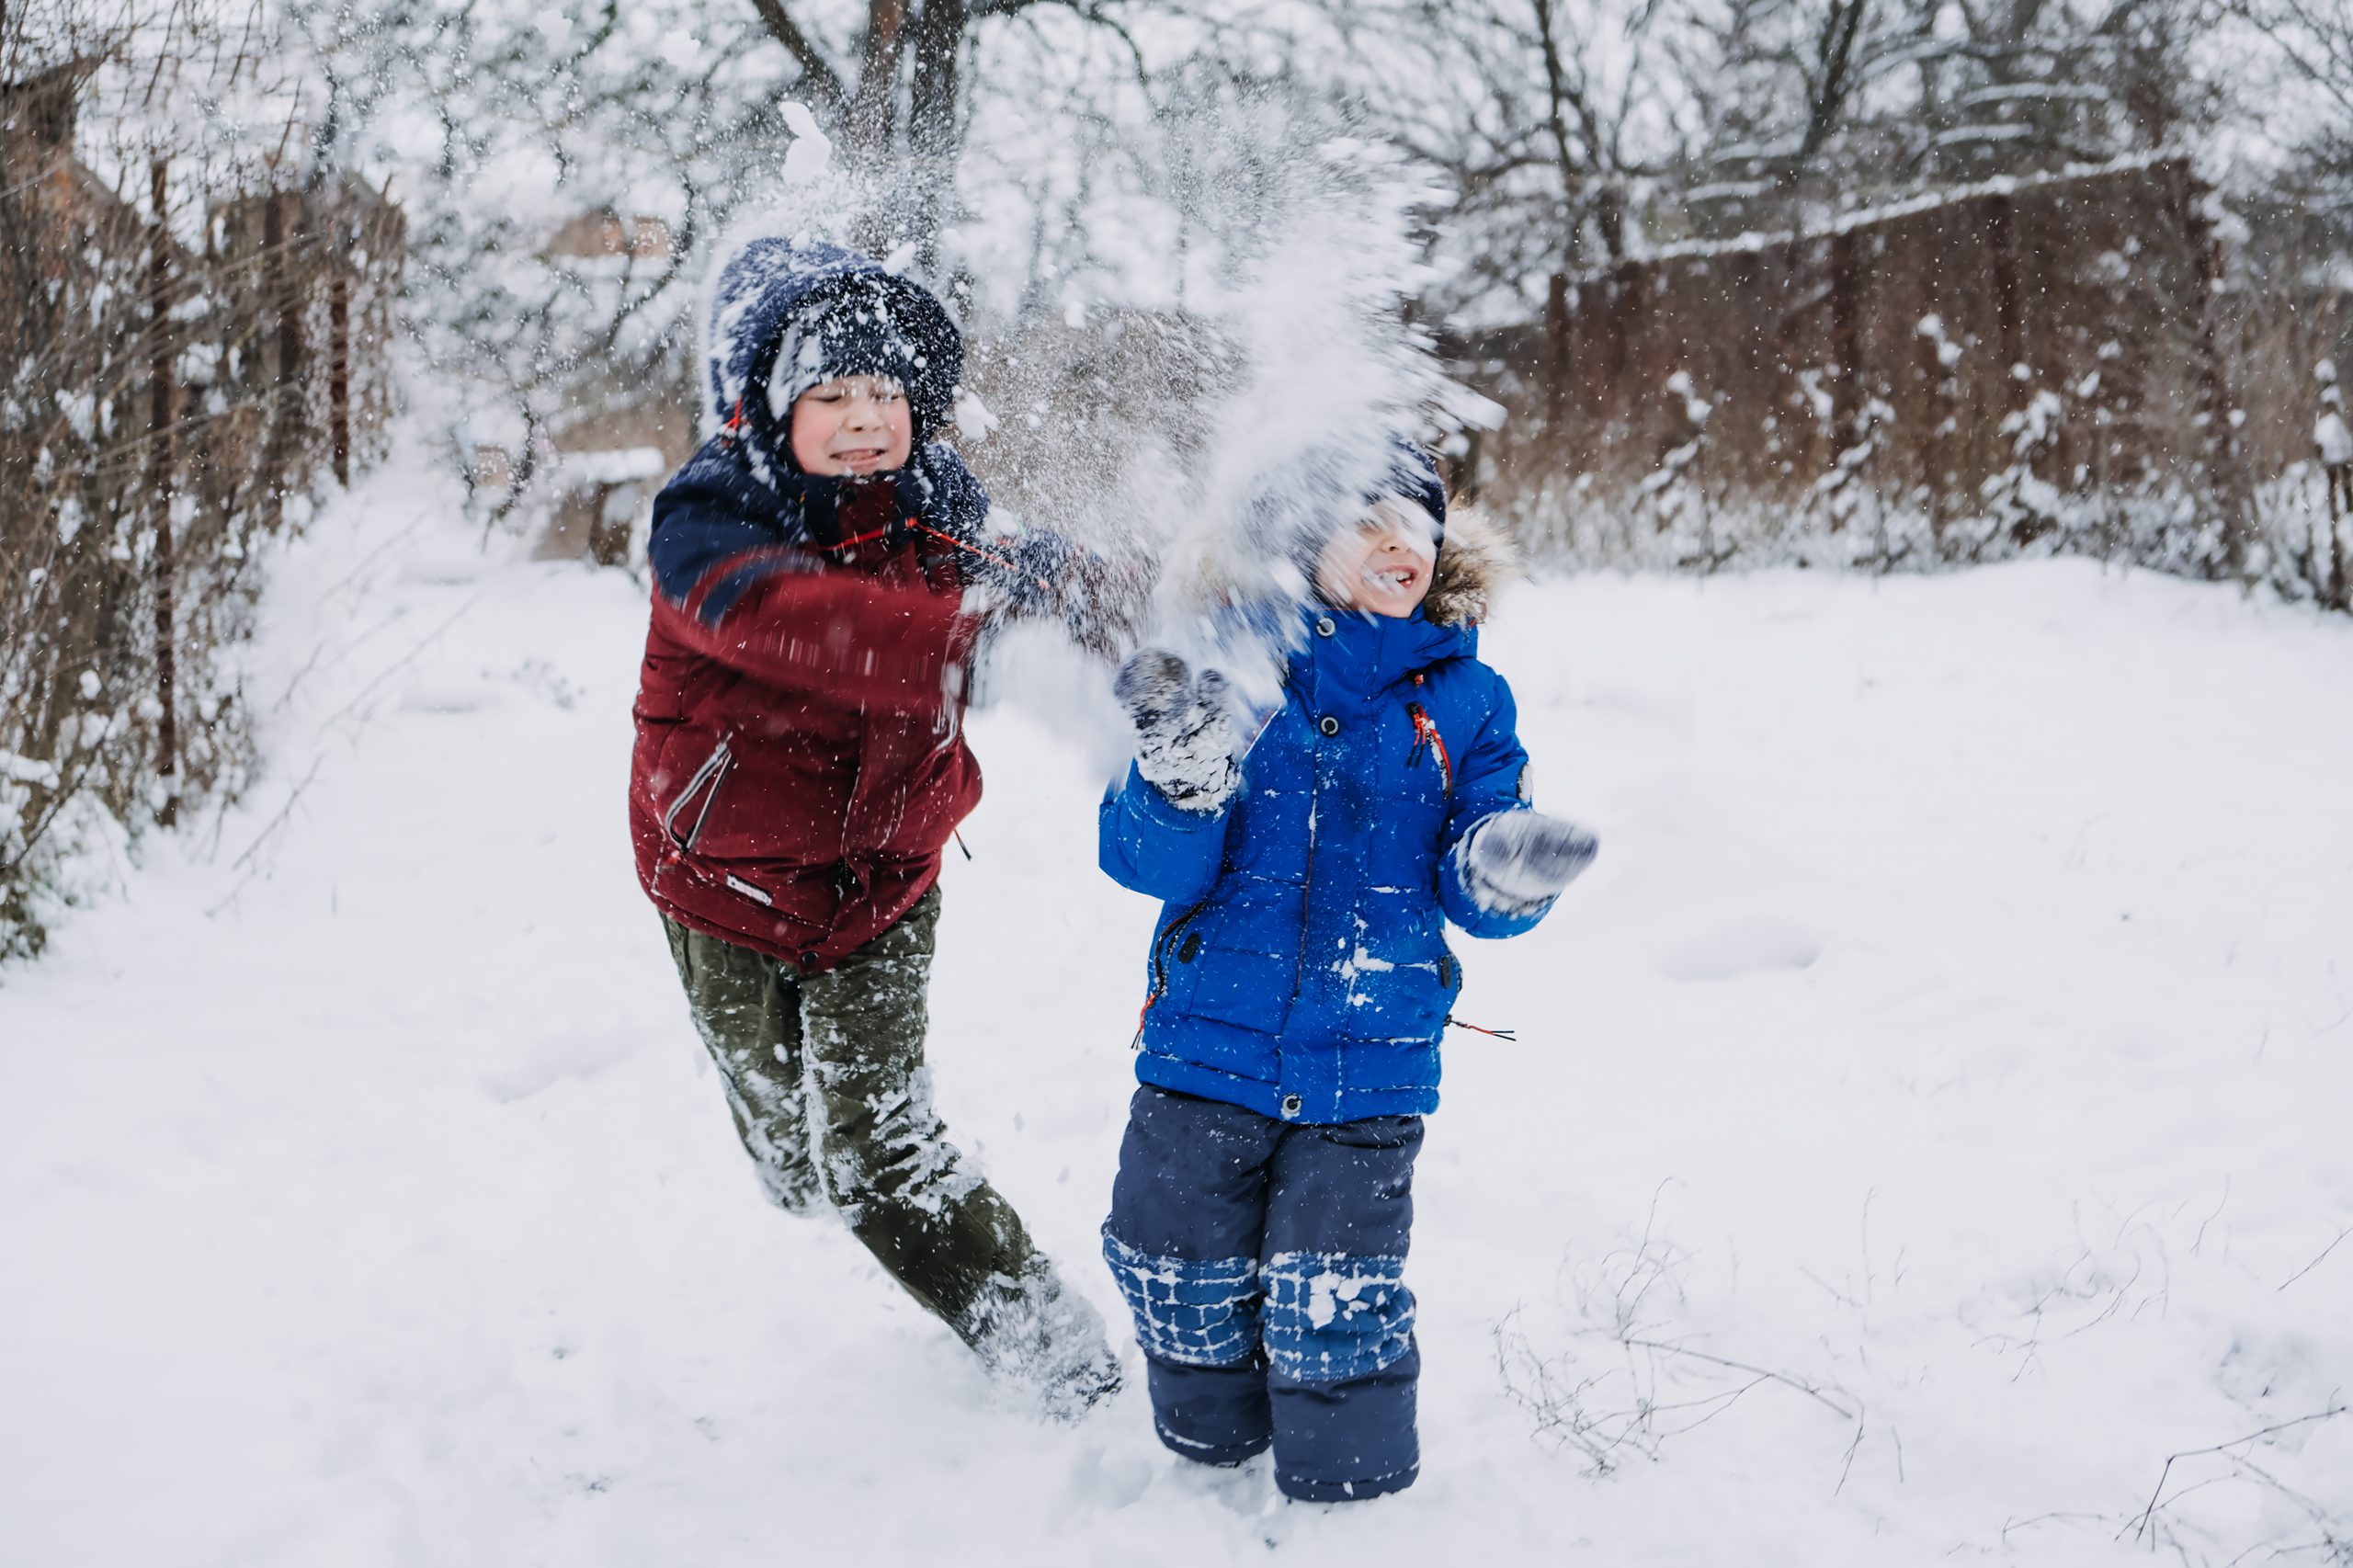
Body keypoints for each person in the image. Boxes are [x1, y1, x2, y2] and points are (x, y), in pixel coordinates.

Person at [627, 234, 1124, 1416]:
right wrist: (967, 644)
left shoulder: (945, 517)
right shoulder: (708, 530)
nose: (865, 420)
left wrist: (1141, 601)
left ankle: (1059, 1359)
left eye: (889, 393)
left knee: (877, 1154)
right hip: (725, 893)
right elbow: (804, 622)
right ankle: (792, 1152)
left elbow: (1046, 575)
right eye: (832, 394)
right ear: (766, 406)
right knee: (795, 1158)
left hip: (882, 892)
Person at [1095, 442, 1597, 1498]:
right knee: (1172, 1262)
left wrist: (1502, 867)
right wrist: (1176, 785)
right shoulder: (1225, 669)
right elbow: (1147, 861)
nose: (1395, 543)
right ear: (1295, 543)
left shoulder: (1467, 699)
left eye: (1414, 526)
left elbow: (1475, 865)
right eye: (1364, 519)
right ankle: (1209, 1465)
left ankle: (1349, 1503)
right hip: (1204, 1047)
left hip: (1366, 1060)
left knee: (1335, 1294)